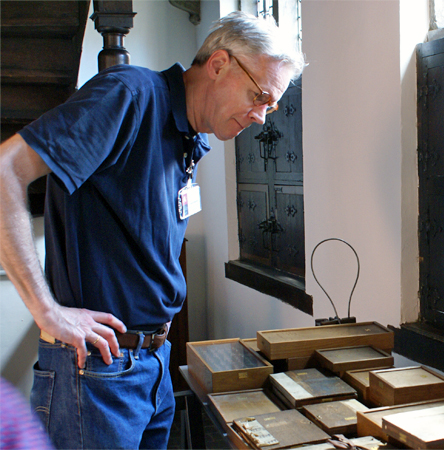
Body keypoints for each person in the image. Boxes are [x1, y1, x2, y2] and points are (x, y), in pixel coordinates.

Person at [0, 11, 305, 449]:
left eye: (270, 106)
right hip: (98, 371)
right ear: (219, 64)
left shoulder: (189, 138)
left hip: (154, 363)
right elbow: (5, 171)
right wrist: (47, 312)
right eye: (259, 96)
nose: (261, 117)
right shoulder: (129, 95)